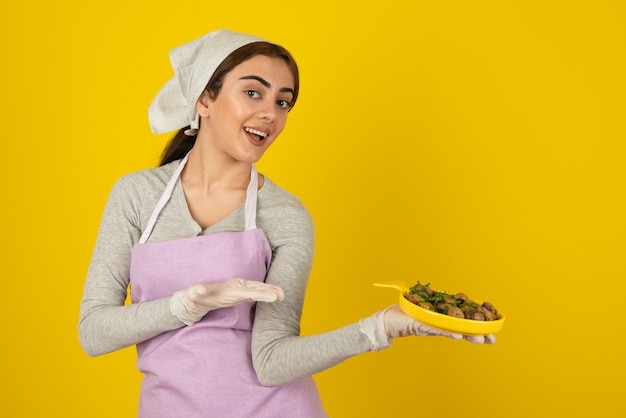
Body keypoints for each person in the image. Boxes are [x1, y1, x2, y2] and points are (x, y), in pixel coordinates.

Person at [78, 29, 495, 418]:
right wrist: (187, 304)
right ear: (204, 100)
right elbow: (94, 333)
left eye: (282, 101)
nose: (269, 114)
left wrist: (380, 328)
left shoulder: (285, 216)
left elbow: (273, 362)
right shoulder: (136, 196)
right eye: (253, 92)